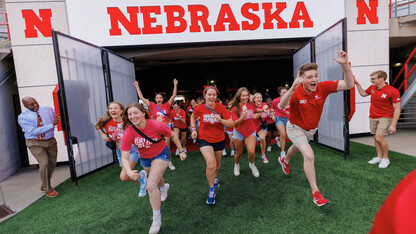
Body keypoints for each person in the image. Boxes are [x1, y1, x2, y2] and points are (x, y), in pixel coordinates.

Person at [277, 49, 354, 206]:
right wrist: (292, 87)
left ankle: (284, 160)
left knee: (297, 148)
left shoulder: (322, 87)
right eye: (309, 77)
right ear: (302, 80)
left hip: (310, 129)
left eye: (316, 76)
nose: (314, 79)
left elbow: (348, 84)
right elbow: (281, 105)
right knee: (309, 155)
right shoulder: (296, 92)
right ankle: (316, 193)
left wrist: (345, 65)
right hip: (295, 127)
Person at [121, 102, 187, 233]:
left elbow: (172, 135)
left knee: (151, 185)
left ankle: (156, 219)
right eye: (130, 114)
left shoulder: (155, 125)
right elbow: (124, 157)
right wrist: (128, 171)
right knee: (156, 179)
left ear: (143, 113)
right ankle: (164, 187)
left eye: (136, 113)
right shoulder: (129, 132)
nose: (133, 116)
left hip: (161, 154)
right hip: (145, 158)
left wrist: (181, 151)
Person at [191, 86, 234, 205]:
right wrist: (194, 129)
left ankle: (215, 177)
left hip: (219, 139)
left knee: (217, 164)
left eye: (214, 95)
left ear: (216, 97)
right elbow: (193, 116)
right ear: (205, 96)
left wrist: (221, 120)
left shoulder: (221, 108)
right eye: (209, 95)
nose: (211, 97)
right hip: (204, 139)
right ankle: (211, 190)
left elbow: (231, 123)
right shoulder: (200, 108)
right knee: (211, 164)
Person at [95, 102, 145, 195]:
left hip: (132, 149)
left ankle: (142, 178)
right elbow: (97, 125)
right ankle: (142, 184)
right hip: (119, 151)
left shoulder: (127, 121)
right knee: (127, 175)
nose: (112, 110)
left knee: (124, 175)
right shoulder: (106, 121)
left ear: (121, 110)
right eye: (111, 108)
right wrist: (103, 135)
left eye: (115, 108)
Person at [354, 71, 401, 169]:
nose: (371, 81)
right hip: (373, 116)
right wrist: (357, 84)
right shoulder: (372, 88)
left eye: (373, 79)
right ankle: (379, 157)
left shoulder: (392, 91)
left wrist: (393, 124)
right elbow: (363, 93)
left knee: (379, 138)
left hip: (385, 117)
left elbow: (397, 109)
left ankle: (385, 158)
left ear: (382, 79)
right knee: (376, 138)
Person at [17, 97, 61, 197]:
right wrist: (52, 124)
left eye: (35, 102)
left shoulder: (47, 109)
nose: (35, 105)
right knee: (44, 163)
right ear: (26, 106)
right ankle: (47, 189)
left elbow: (58, 116)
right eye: (31, 104)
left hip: (50, 141)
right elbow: (33, 131)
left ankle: (43, 184)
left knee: (52, 164)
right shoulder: (22, 117)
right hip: (35, 143)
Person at [134, 79, 178, 170]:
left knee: (167, 145)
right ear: (155, 99)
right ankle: (157, 161)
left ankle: (169, 162)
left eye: (160, 98)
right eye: (157, 98)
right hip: (155, 128)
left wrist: (175, 84)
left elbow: (174, 95)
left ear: (162, 99)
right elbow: (141, 98)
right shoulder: (152, 106)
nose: (158, 99)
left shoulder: (166, 105)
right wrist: (137, 86)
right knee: (155, 145)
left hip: (166, 127)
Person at [228, 87, 262, 177]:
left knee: (251, 152)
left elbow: (255, 110)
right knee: (238, 153)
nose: (245, 97)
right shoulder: (235, 108)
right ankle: (237, 165)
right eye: (243, 95)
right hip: (238, 132)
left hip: (250, 131)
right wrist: (242, 117)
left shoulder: (250, 104)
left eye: (247, 95)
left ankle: (252, 164)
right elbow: (234, 124)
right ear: (239, 96)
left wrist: (263, 110)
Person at [272, 87, 290, 158]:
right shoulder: (276, 100)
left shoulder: (290, 99)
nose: (285, 94)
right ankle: (282, 152)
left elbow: (294, 109)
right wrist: (273, 115)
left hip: (287, 118)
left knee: (285, 135)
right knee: (283, 134)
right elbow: (272, 109)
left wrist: (290, 112)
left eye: (286, 92)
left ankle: (278, 139)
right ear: (280, 94)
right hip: (279, 118)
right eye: (283, 93)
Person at [252, 93, 270, 163]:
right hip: (252, 127)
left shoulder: (264, 104)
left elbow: (267, 113)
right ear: (254, 99)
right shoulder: (252, 106)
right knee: (251, 144)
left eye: (261, 97)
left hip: (261, 126)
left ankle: (263, 155)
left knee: (262, 138)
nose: (259, 99)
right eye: (257, 98)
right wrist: (263, 110)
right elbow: (255, 117)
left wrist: (269, 113)